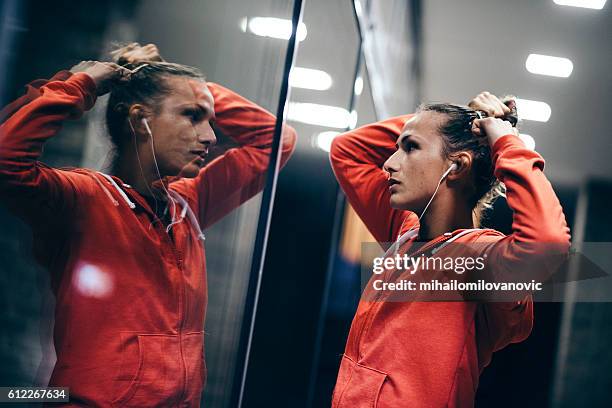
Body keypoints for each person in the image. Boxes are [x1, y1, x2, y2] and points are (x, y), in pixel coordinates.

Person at [0, 43, 296, 406]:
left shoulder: (188, 202)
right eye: (192, 115)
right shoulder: (84, 198)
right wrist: (80, 85)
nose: (210, 136)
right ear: (141, 120)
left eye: (209, 118)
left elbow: (277, 139)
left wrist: (180, 83)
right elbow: (6, 162)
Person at [329, 92, 571, 407]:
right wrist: (467, 122)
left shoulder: (479, 259)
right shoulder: (403, 233)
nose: (389, 164)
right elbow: (346, 150)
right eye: (397, 148)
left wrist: (506, 143)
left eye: (410, 147)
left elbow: (547, 243)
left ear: (456, 166)